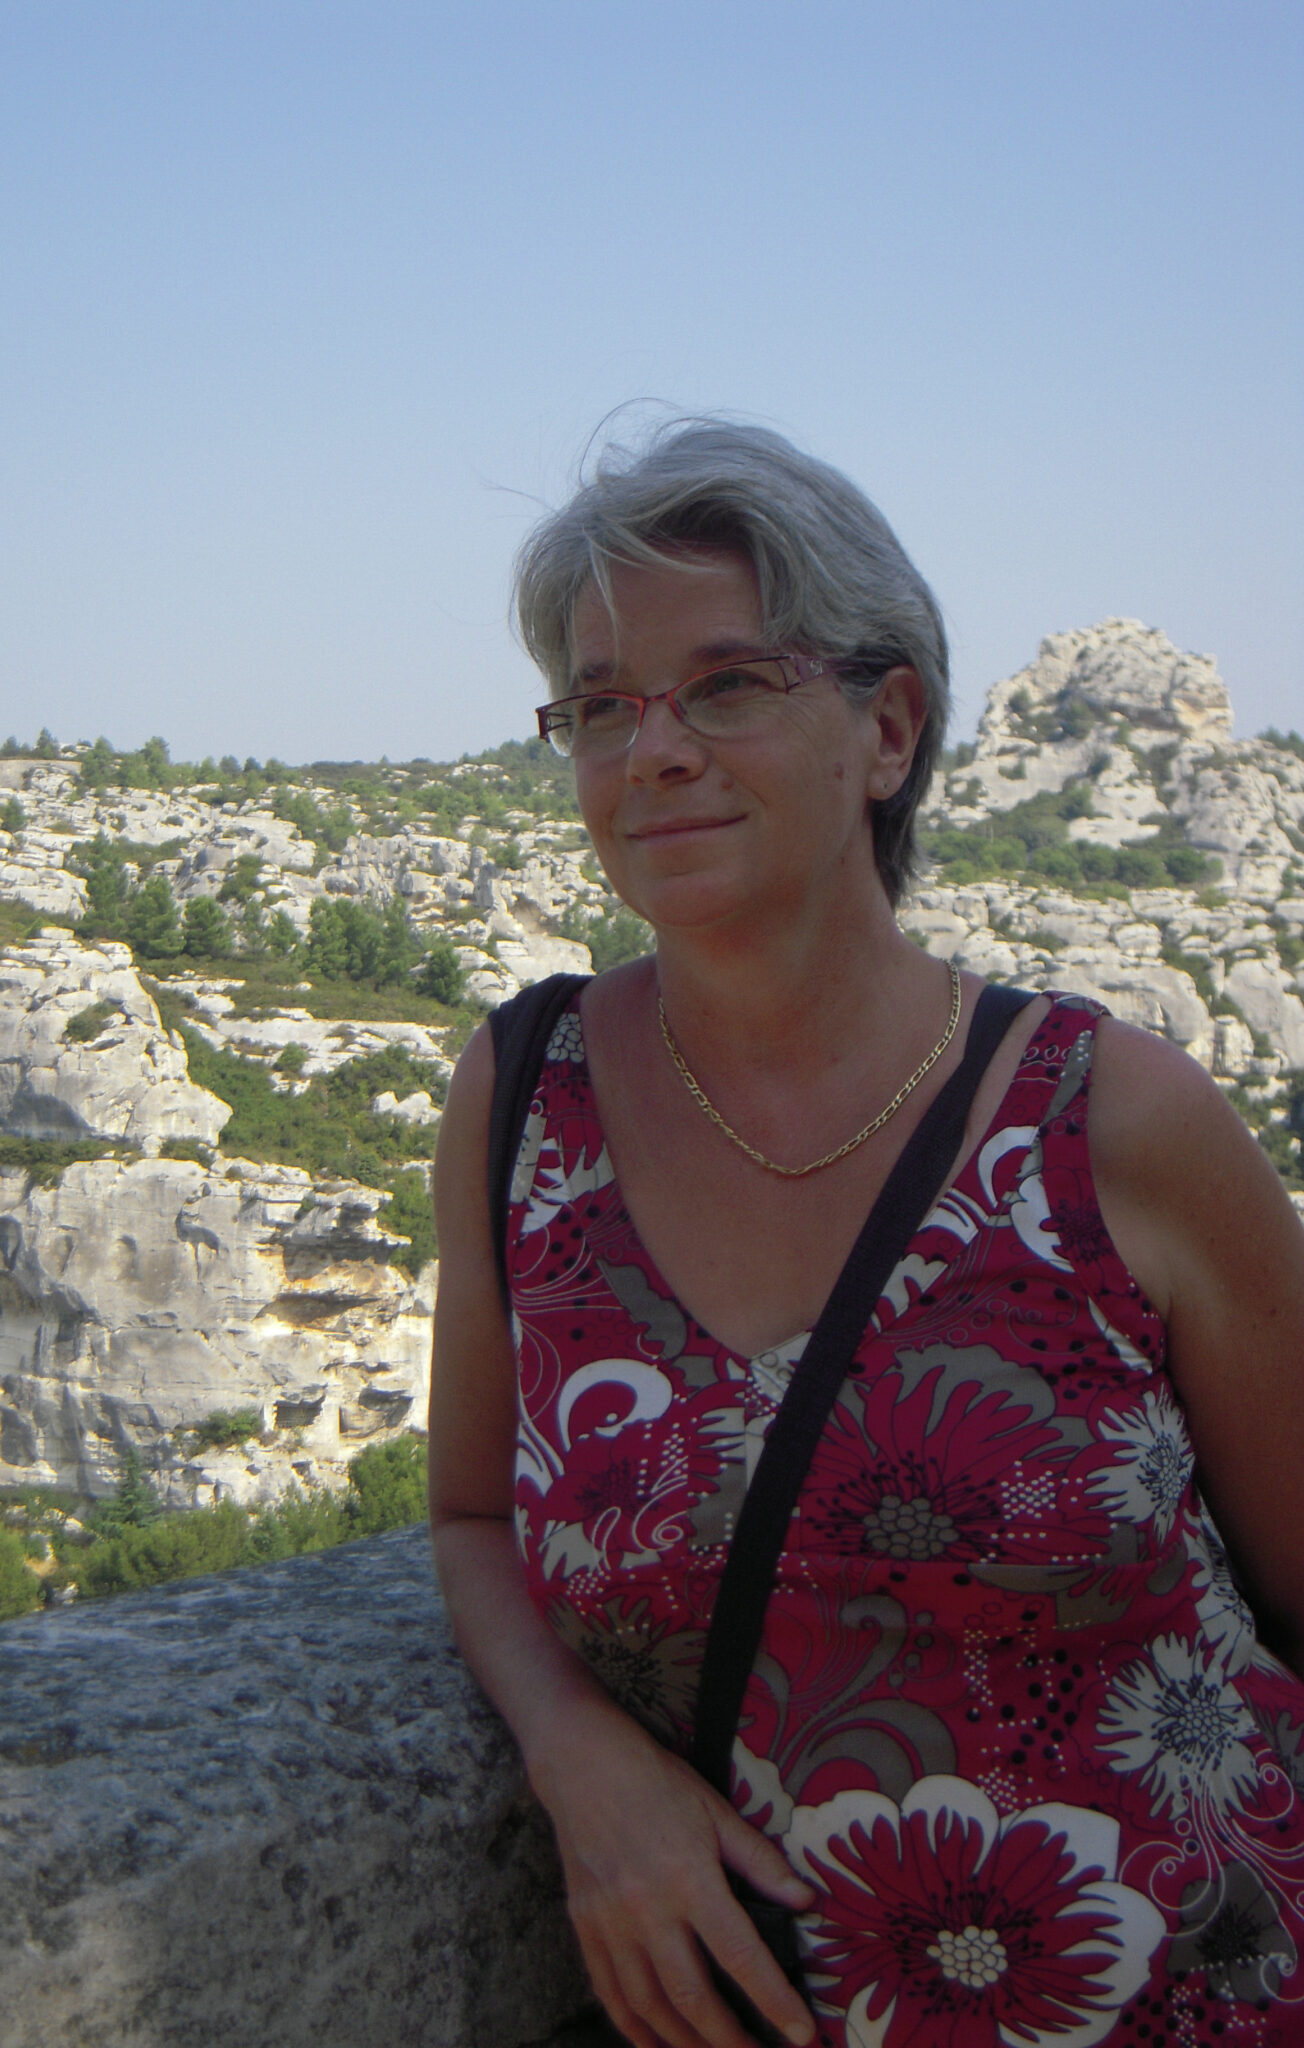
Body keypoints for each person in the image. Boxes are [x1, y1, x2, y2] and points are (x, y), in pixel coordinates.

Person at [427, 417, 1304, 2048]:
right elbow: (472, 1510)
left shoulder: (1118, 1119)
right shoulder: (522, 1100)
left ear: (886, 728)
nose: (653, 749)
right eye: (603, 705)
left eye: (727, 684)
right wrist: (576, 1750)